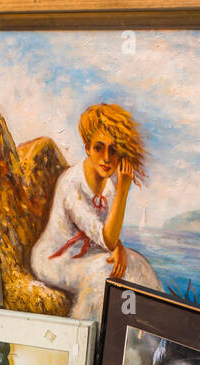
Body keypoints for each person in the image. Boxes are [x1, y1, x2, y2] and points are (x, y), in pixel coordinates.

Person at [29, 103, 161, 321]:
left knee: (139, 264)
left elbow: (106, 237)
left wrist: (118, 248)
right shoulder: (73, 184)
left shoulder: (109, 185)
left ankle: (154, 331)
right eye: (99, 148)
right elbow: (103, 235)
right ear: (87, 147)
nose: (107, 158)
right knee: (102, 271)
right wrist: (123, 192)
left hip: (87, 256)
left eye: (114, 150)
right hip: (55, 260)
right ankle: (87, 335)